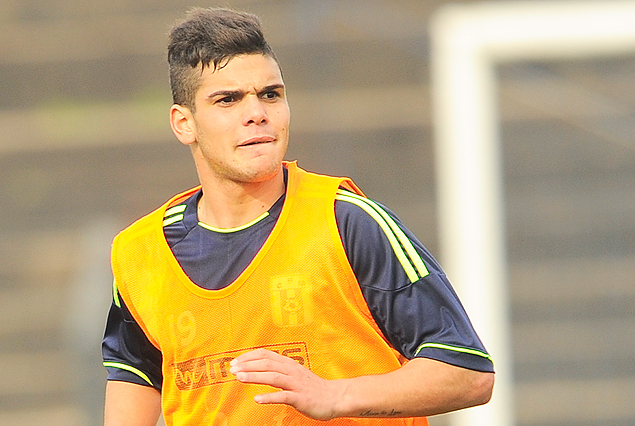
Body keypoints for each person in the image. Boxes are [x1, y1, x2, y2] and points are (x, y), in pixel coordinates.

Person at [101, 7, 495, 426]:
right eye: (228, 99)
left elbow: (468, 372)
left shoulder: (348, 223)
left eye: (270, 94)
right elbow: (135, 377)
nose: (257, 112)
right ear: (184, 123)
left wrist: (336, 396)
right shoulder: (139, 254)